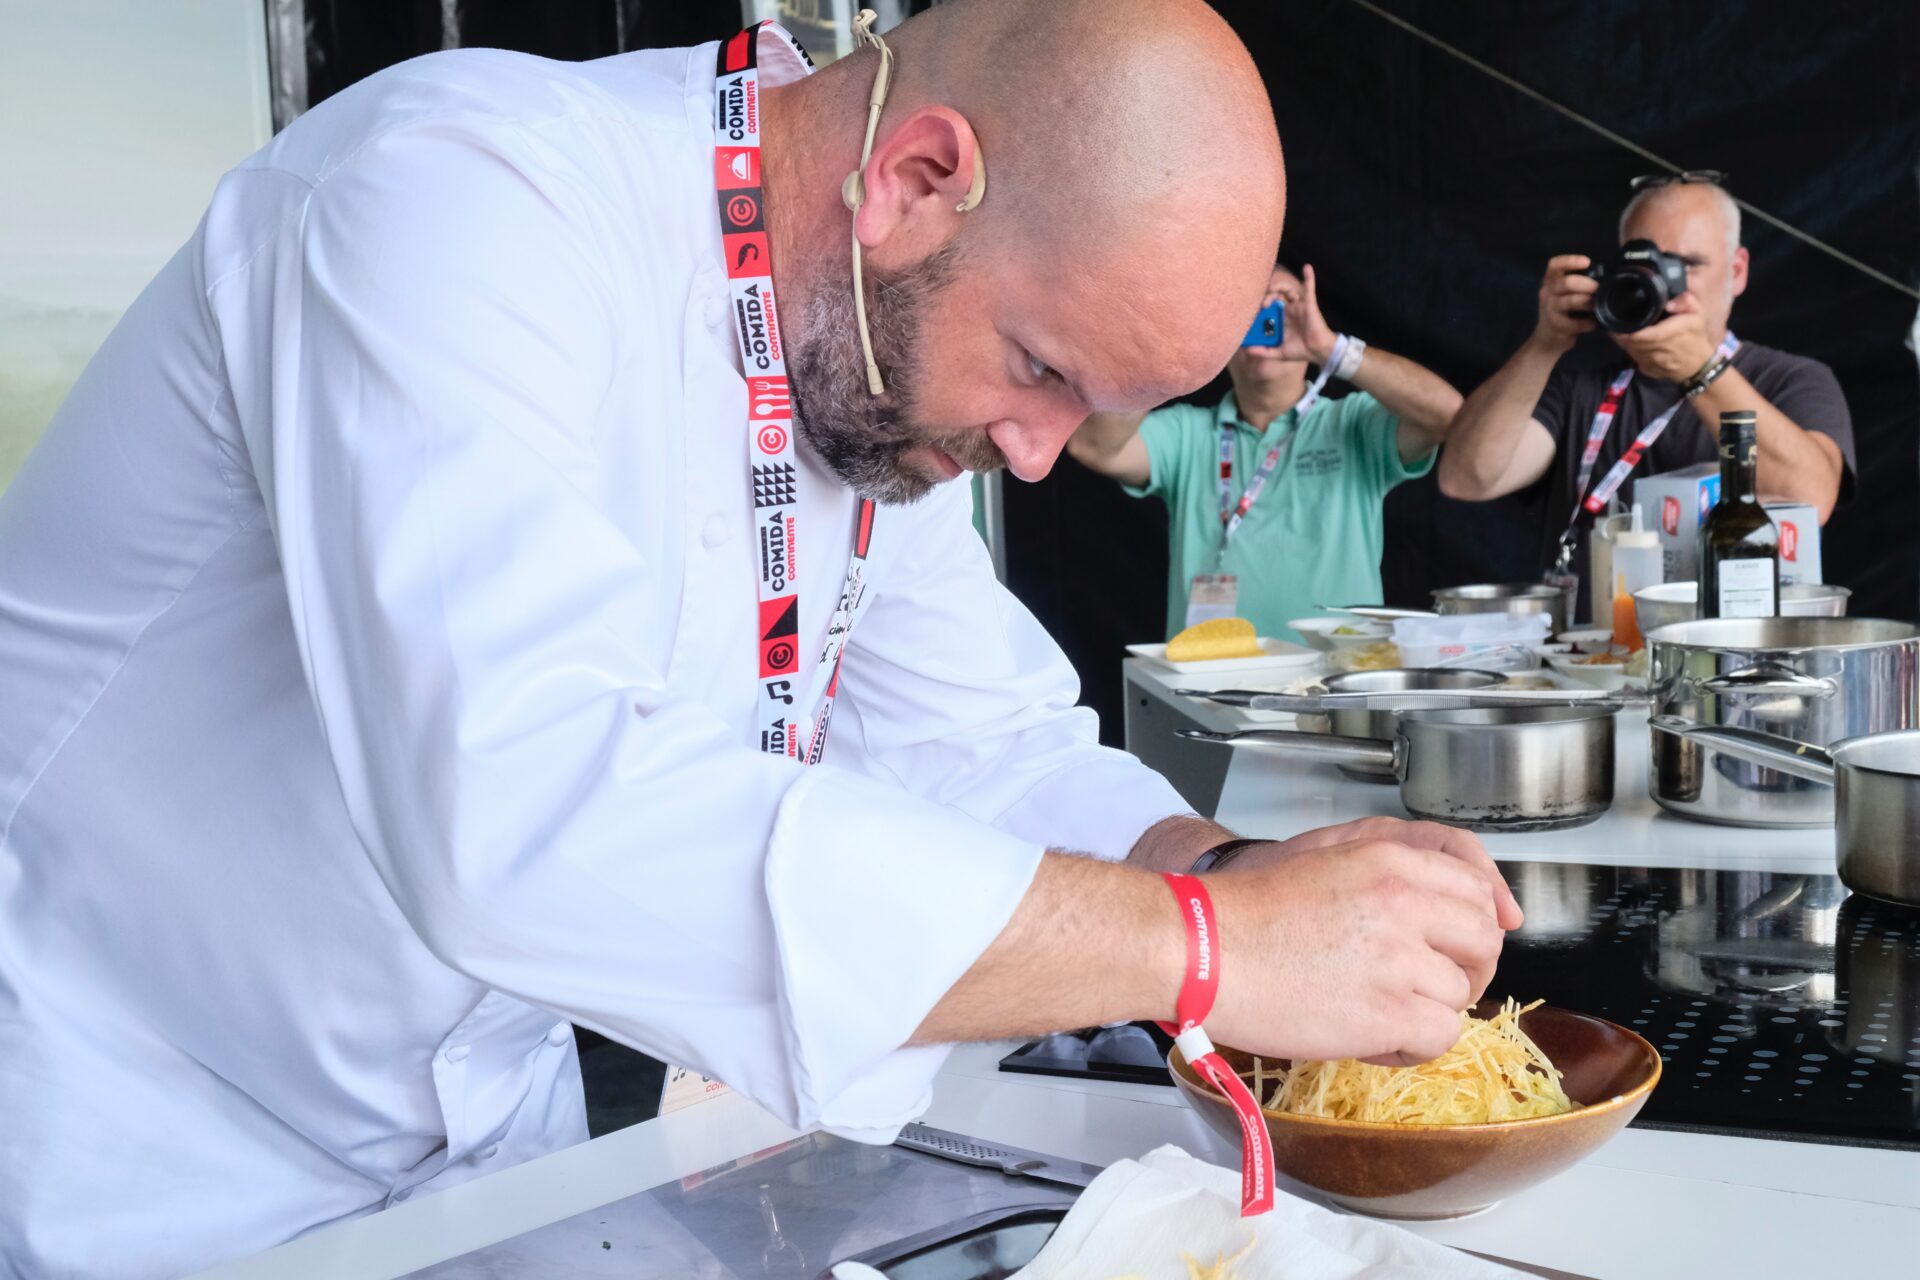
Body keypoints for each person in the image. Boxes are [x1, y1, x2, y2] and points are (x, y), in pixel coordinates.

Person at [0, 2, 1519, 1273]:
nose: (1045, 454)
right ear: (921, 177)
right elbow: (525, 806)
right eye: (1042, 369)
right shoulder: (458, 192)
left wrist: (1229, 876)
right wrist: (1208, 955)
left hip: (482, 1173)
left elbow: (974, 745)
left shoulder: (861, 359)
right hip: (134, 1149)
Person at [1437, 173, 1855, 586]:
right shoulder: (1577, 390)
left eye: (1688, 264)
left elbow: (1810, 500)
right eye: (1648, 265)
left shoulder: (1791, 380)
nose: (1666, 286)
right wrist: (1544, 344)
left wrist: (1702, 371)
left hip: (1726, 646)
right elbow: (1465, 477)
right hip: (1588, 651)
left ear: (1737, 271)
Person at [1068, 262, 1461, 641]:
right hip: (1208, 687)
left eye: (1281, 308)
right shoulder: (1189, 434)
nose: (1266, 322)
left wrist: (1331, 349)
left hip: (1333, 683)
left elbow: (1447, 416)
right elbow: (1093, 447)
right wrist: (1185, 344)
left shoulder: (1352, 425)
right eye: (1245, 311)